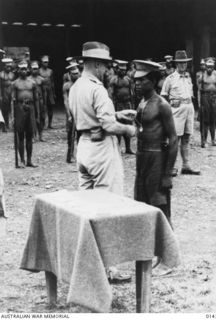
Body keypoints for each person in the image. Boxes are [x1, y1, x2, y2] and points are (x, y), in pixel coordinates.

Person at [69, 41, 136, 283]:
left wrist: (116, 114)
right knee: (109, 206)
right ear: (96, 64)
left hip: (84, 147)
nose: (107, 70)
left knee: (86, 206)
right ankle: (109, 268)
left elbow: (87, 118)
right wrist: (127, 130)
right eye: (105, 65)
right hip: (101, 149)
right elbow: (107, 126)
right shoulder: (98, 89)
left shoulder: (76, 86)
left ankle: (86, 263)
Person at [134, 60, 178, 227]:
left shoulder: (162, 105)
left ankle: (167, 247)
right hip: (142, 157)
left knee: (159, 203)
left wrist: (167, 173)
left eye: (142, 80)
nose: (137, 84)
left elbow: (173, 138)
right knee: (141, 201)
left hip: (157, 158)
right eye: (136, 80)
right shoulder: (142, 102)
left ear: (152, 81)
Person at [161, 50, 200, 176]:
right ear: (176, 64)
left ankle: (186, 165)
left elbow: (191, 94)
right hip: (177, 110)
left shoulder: (188, 77)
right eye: (180, 63)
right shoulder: (170, 79)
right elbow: (163, 97)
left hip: (189, 108)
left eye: (185, 63)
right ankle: (169, 167)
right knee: (174, 139)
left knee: (187, 137)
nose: (183, 65)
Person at [12, 61, 39, 168]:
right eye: (21, 69)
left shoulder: (32, 83)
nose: (23, 71)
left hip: (30, 108)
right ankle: (22, 160)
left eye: (25, 69)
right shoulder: (15, 83)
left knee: (29, 135)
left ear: (27, 70)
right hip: (19, 108)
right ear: (19, 70)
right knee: (20, 135)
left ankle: (29, 160)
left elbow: (36, 99)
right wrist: (12, 116)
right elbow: (12, 100)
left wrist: (36, 114)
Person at [108, 59, 134, 154]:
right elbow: (110, 95)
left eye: (124, 70)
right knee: (118, 126)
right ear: (117, 69)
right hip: (118, 105)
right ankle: (117, 148)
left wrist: (132, 107)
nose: (122, 71)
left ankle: (128, 148)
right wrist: (112, 108)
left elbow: (132, 93)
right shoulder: (113, 80)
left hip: (127, 104)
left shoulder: (128, 79)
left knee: (128, 125)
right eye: (120, 70)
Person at [197, 58, 216, 147]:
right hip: (205, 98)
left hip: (214, 98)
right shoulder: (201, 76)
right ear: (205, 67)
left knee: (213, 120)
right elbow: (199, 90)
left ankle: (213, 140)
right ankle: (204, 141)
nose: (209, 69)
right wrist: (199, 102)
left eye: (211, 67)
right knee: (205, 120)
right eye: (208, 67)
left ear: (213, 67)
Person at [63, 63, 80, 163]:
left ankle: (80, 154)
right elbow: (66, 100)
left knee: (81, 134)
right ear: (70, 74)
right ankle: (70, 155)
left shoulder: (81, 84)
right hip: (71, 112)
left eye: (77, 73)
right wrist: (69, 114)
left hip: (80, 113)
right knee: (71, 135)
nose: (76, 75)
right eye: (73, 74)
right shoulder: (67, 86)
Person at [29, 61, 46, 141]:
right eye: (33, 69)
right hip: (31, 101)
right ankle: (33, 136)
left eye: (36, 69)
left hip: (40, 101)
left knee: (41, 118)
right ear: (30, 69)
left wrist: (44, 103)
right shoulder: (28, 79)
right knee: (32, 118)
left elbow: (44, 91)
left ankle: (40, 135)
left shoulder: (41, 79)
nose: (35, 70)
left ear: (38, 69)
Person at [39, 55, 56, 128]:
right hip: (42, 90)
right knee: (42, 107)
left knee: (51, 107)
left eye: (47, 62)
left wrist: (54, 92)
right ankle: (42, 124)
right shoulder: (39, 71)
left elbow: (52, 82)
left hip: (50, 90)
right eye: (45, 62)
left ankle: (50, 124)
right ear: (42, 62)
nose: (46, 64)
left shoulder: (50, 71)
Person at [0, 58, 15, 132]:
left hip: (10, 93)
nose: (8, 68)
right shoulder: (1, 74)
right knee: (4, 110)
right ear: (4, 67)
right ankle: (4, 125)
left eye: (9, 66)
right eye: (7, 66)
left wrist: (13, 95)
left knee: (10, 110)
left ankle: (8, 124)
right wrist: (0, 96)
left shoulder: (12, 74)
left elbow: (13, 85)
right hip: (4, 94)